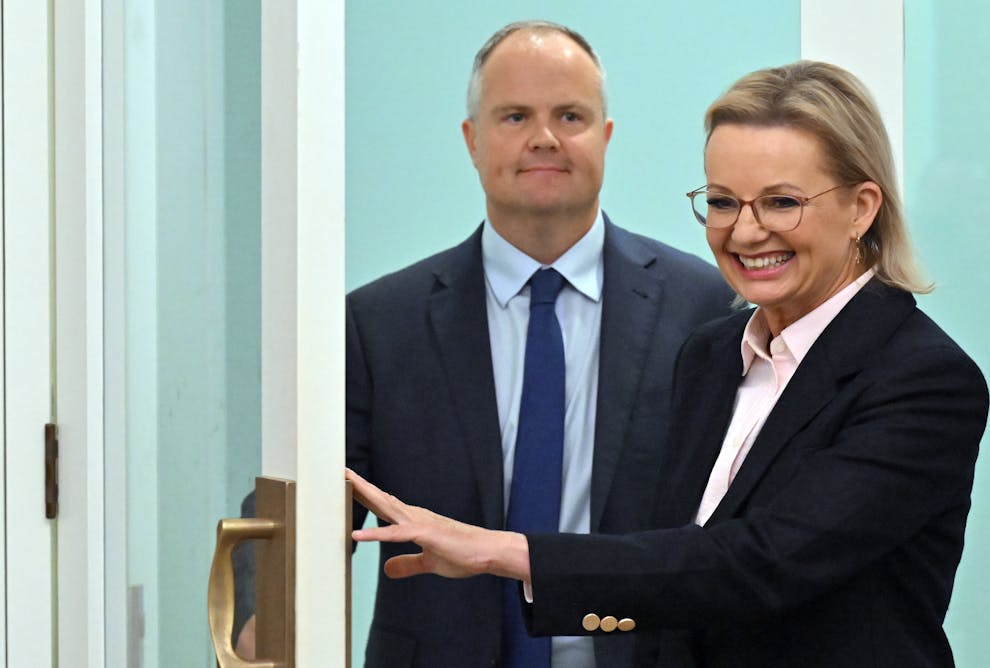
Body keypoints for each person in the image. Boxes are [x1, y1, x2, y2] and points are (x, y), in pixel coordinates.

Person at [345, 60, 990, 667]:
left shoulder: (924, 380)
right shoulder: (713, 354)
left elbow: (759, 564)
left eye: (781, 202)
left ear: (862, 208)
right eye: (723, 202)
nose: (745, 232)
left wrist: (504, 551)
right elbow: (673, 586)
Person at [235, 20, 732, 668]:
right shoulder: (379, 323)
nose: (544, 137)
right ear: (472, 140)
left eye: (571, 116)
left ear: (606, 137)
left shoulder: (706, 310)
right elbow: (305, 497)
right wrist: (263, 623)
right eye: (515, 116)